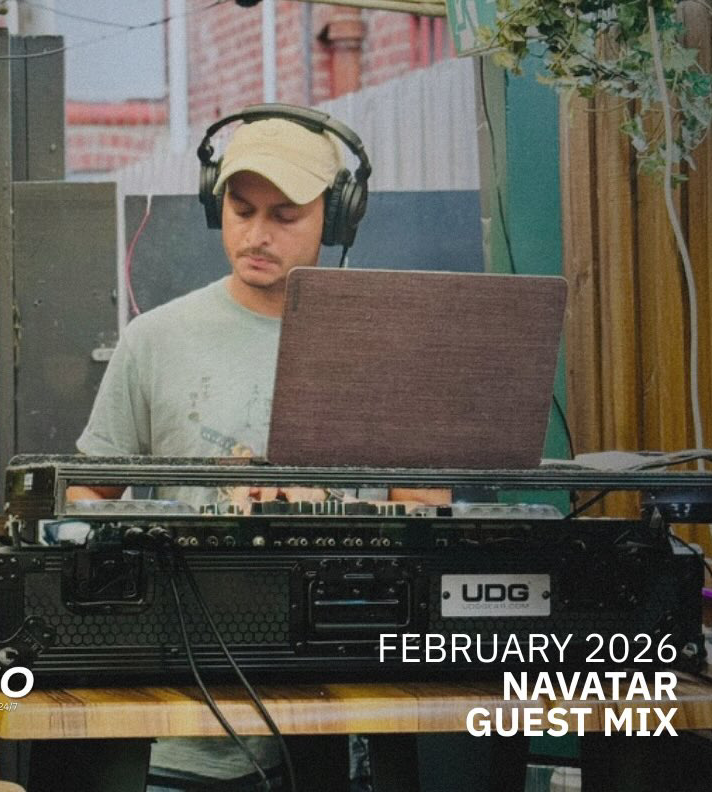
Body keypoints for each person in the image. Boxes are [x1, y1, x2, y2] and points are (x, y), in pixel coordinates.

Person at [73, 110, 445, 790]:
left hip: (340, 717)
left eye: (285, 215)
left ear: (336, 218)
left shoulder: (385, 347)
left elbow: (427, 515)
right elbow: (85, 497)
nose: (257, 235)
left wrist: (326, 515)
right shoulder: (155, 341)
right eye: (241, 211)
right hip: (184, 730)